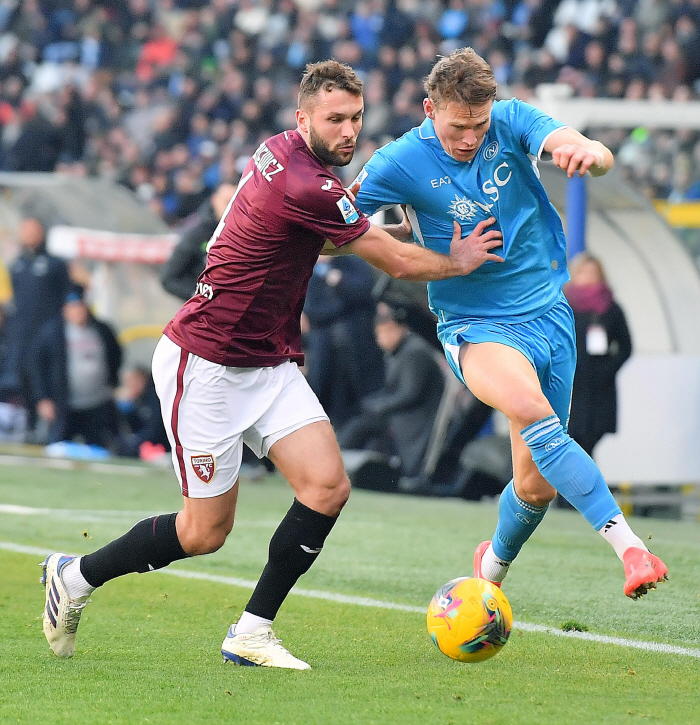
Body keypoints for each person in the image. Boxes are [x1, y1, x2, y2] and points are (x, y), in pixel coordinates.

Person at [40, 60, 505, 669]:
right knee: (204, 533)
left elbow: (342, 218)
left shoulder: (279, 152)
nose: (347, 131)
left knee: (328, 487)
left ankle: (252, 631)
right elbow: (394, 261)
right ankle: (74, 577)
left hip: (266, 363)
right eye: (334, 119)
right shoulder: (308, 186)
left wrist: (384, 210)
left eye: (356, 118)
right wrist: (460, 259)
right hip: (204, 364)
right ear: (303, 118)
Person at [353, 47, 667, 600]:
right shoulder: (398, 162)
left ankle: (488, 571)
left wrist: (585, 153)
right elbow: (337, 232)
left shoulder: (512, 119)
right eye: (457, 127)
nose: (470, 137)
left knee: (534, 486)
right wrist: (402, 245)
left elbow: (590, 150)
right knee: (530, 410)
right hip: (476, 324)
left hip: (550, 315)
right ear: (430, 108)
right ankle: (631, 549)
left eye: (478, 125)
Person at [337, 302, 445, 480]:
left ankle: (336, 463)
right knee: (358, 422)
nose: (380, 339)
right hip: (400, 416)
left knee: (358, 426)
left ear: (396, 328)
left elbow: (410, 394)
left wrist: (379, 406)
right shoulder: (401, 352)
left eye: (382, 333)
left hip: (413, 419)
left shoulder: (414, 353)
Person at [30, 287, 122, 448]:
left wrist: (113, 384)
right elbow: (36, 367)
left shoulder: (102, 330)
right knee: (60, 446)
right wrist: (43, 398)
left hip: (97, 402)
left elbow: (115, 355)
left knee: (98, 447)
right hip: (65, 404)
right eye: (74, 307)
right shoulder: (52, 333)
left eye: (81, 306)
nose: (78, 311)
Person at [3, 218, 70, 431]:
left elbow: (66, 296)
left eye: (33, 231)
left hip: (50, 335)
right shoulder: (17, 265)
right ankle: (28, 427)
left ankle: (57, 430)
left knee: (51, 382)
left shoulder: (55, 264)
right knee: (23, 382)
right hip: (23, 336)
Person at [303, 254, 384, 428]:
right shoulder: (307, 270)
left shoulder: (353, 262)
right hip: (326, 356)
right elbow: (312, 310)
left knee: (365, 400)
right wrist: (343, 307)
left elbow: (364, 293)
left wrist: (339, 283)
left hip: (359, 349)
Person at [564, 253, 632, 457]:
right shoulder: (563, 305)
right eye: (583, 271)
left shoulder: (611, 309)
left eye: (593, 272)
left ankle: (582, 486)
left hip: (597, 389)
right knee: (568, 439)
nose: (588, 276)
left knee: (589, 440)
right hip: (569, 384)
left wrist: (606, 370)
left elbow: (626, 346)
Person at [160, 183, 238, 301]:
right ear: (214, 200)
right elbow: (169, 278)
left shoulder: (250, 233)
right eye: (227, 202)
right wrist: (202, 296)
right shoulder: (197, 235)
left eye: (237, 204)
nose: (231, 209)